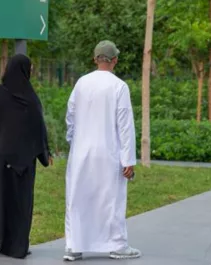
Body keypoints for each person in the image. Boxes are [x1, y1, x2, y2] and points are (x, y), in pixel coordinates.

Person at [63, 40, 141, 261]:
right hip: (108, 152)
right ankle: (117, 245)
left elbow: (70, 116)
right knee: (112, 198)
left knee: (77, 197)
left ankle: (73, 246)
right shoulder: (119, 86)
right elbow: (125, 124)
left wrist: (74, 141)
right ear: (114, 60)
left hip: (80, 152)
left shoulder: (81, 83)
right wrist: (128, 158)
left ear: (95, 58)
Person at [0, 54, 52, 259]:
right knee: (20, 203)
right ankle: (16, 244)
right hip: (22, 163)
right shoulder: (30, 98)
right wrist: (44, 154)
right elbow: (38, 128)